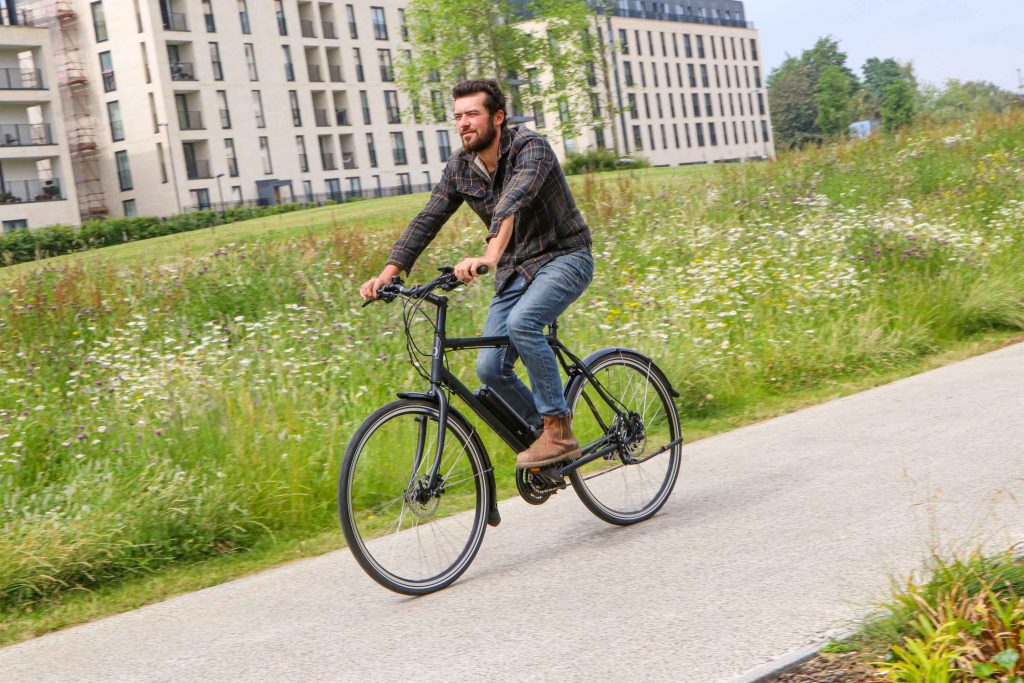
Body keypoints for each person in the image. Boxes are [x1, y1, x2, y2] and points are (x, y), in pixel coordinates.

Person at [359, 78, 594, 469]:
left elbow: (512, 201)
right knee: (489, 369)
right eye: (457, 116)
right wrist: (389, 273)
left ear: (497, 117)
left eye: (472, 114)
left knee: (523, 323)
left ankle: (559, 430)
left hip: (563, 256)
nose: (463, 123)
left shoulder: (530, 148)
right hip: (516, 272)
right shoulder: (461, 167)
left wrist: (488, 256)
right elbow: (428, 217)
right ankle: (545, 441)